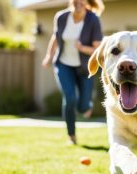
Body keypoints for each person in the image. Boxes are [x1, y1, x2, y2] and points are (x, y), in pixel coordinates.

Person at [42, 0, 104, 145]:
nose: (78, 2)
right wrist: (48, 56)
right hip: (64, 65)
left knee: (82, 106)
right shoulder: (61, 17)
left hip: (84, 68)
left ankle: (87, 106)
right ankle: (72, 135)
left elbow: (98, 49)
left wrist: (82, 48)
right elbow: (55, 38)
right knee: (69, 98)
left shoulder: (93, 20)